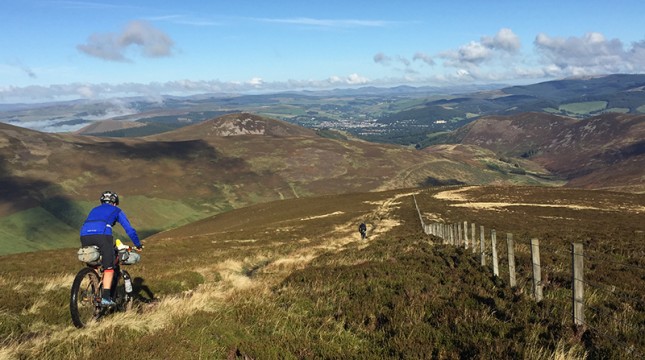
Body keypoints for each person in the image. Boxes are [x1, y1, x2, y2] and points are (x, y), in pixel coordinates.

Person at [80, 190, 142, 307]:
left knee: (93, 263)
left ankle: (94, 291)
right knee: (109, 267)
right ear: (115, 203)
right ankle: (106, 298)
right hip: (103, 235)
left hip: (84, 235)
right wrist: (138, 244)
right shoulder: (116, 210)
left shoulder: (94, 209)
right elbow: (129, 229)